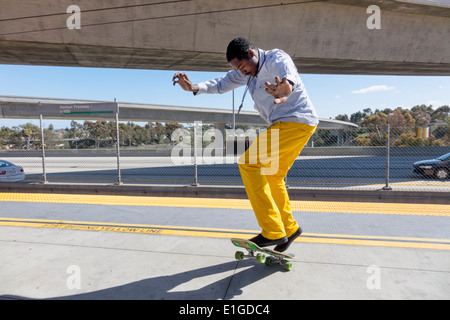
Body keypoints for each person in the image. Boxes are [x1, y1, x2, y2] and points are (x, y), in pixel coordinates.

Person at [172, 37, 319, 252]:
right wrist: (193, 87)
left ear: (251, 54)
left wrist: (283, 91)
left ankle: (272, 231)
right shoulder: (245, 73)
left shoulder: (275, 58)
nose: (242, 72)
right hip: (296, 125)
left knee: (249, 163)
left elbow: (289, 78)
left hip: (294, 121)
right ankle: (290, 228)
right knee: (272, 175)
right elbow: (221, 84)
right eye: (237, 69)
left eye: (242, 66)